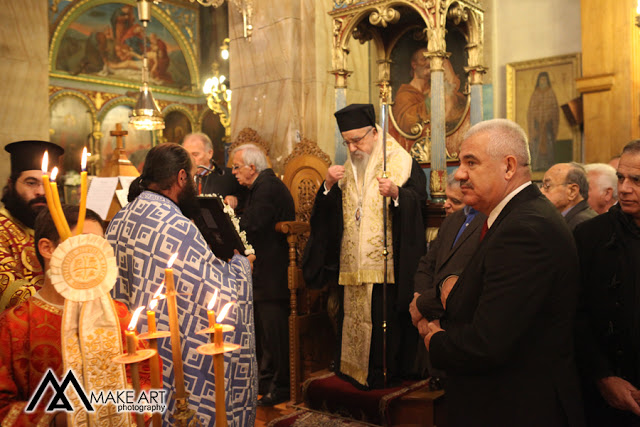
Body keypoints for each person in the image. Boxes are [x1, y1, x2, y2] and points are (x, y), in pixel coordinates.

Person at [424, 119, 584, 426]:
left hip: (516, 406)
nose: (459, 174)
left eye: (471, 162)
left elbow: (488, 343)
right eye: (460, 163)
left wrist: (437, 341)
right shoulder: (515, 216)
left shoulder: (525, 228)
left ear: (508, 167)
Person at [107, 143, 257, 426]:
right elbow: (214, 290)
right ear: (180, 178)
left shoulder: (119, 219)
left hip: (133, 352)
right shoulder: (176, 226)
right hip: (167, 350)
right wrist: (241, 266)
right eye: (190, 176)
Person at [304, 103, 427, 389]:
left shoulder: (402, 162)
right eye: (347, 142)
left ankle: (381, 373)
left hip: (387, 266)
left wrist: (397, 194)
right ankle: (351, 369)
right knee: (353, 320)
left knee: (382, 322)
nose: (353, 148)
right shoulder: (348, 168)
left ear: (374, 132)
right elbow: (332, 217)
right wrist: (327, 187)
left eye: (357, 140)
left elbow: (418, 203)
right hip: (353, 266)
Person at [0, 205, 153, 425]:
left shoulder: (117, 316)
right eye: (84, 242)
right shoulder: (15, 324)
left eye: (100, 245)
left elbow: (146, 380)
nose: (95, 254)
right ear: (47, 248)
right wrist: (54, 416)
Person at [574, 140, 640, 426]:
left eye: (637, 180)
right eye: (621, 178)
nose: (624, 188)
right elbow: (574, 313)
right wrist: (603, 377)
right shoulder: (590, 236)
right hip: (605, 395)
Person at [232, 143, 295, 406]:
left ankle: (280, 386)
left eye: (236, 167)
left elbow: (252, 225)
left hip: (273, 274)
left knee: (274, 333)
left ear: (252, 167)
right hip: (265, 273)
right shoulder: (260, 187)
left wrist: (231, 218)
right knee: (265, 334)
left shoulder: (267, 188)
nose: (234, 173)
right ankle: (267, 381)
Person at [0, 140, 64, 312]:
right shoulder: (2, 228)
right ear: (11, 183)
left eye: (48, 184)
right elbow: (9, 289)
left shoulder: (61, 226)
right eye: (31, 183)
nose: (41, 192)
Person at [391, 47, 469, 155]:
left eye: (430, 59)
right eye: (424, 59)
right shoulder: (405, 94)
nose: (428, 63)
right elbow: (407, 122)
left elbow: (459, 108)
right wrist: (430, 99)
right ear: (414, 65)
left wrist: (449, 79)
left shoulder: (437, 89)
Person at [182, 132, 246, 211]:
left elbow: (246, 198)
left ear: (209, 153)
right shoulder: (181, 178)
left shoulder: (229, 176)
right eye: (187, 155)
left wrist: (235, 199)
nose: (190, 160)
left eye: (195, 155)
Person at [541, 162, 597, 230]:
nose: (541, 191)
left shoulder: (583, 224)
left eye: (547, 186)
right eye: (542, 186)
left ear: (572, 191)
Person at [528, 71, 559, 171]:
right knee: (537, 147)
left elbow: (554, 110)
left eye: (544, 79)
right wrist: (534, 124)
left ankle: (549, 166)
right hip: (537, 126)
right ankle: (537, 166)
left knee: (549, 146)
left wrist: (548, 118)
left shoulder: (551, 93)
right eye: (541, 79)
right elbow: (531, 111)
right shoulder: (535, 94)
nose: (543, 81)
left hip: (548, 126)